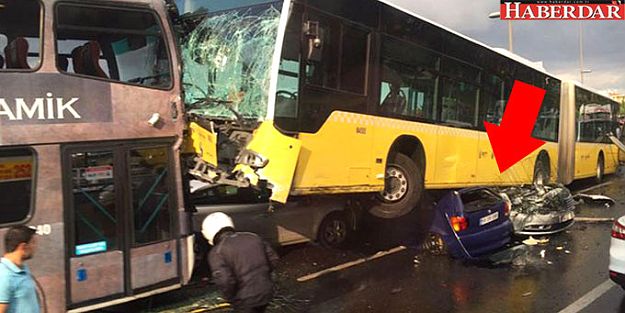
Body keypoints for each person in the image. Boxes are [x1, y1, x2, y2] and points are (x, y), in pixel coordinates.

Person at [202, 212, 278, 313]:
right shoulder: (253, 237)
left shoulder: (217, 252)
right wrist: (263, 276)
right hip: (266, 291)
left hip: (244, 299)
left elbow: (225, 281)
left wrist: (230, 297)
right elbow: (273, 259)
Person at [0, 226, 40, 313]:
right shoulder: (4, 276)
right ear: (23, 247)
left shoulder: (22, 268)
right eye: (33, 243)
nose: (36, 247)